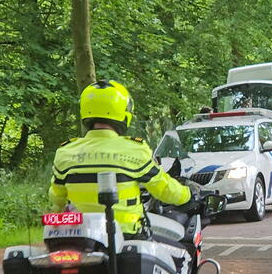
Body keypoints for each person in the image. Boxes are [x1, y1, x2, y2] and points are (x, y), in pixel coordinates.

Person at [49, 80, 192, 239]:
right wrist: (188, 196)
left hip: (79, 237)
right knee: (178, 256)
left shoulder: (66, 152)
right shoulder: (135, 150)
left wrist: (59, 213)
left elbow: (57, 198)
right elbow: (165, 189)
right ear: (123, 112)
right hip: (126, 236)